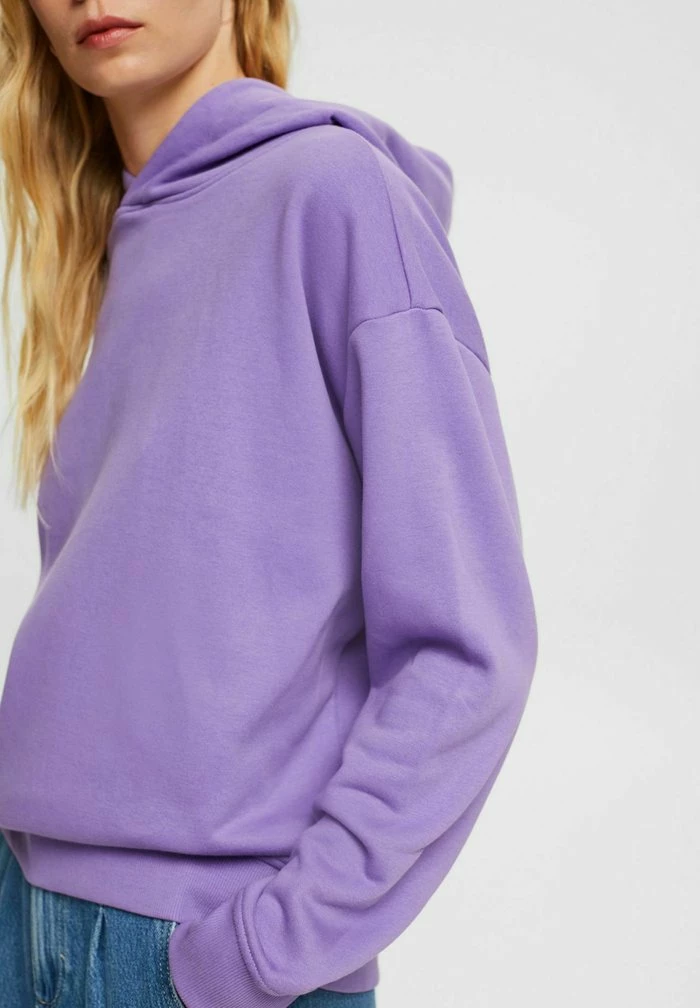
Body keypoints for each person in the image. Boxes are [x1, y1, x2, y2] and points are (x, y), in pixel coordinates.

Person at [0, 0, 539, 1005]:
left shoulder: (334, 195)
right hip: (25, 907)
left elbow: (467, 648)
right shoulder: (104, 242)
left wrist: (265, 948)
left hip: (193, 953)